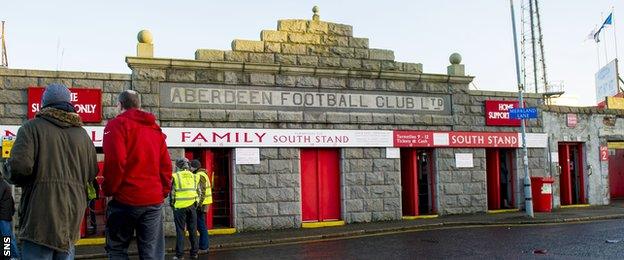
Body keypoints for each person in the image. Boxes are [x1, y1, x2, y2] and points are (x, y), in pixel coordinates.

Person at [5, 83, 98, 259]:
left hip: (40, 219)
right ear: (69, 104)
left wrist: (7, 170)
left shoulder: (31, 128)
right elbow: (91, 172)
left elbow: (19, 168)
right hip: (71, 220)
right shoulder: (83, 136)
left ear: (44, 103)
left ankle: (7, 253)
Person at [102, 89, 172, 259]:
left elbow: (115, 162)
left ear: (119, 105)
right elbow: (166, 166)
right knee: (152, 253)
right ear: (139, 105)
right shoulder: (155, 129)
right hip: (153, 201)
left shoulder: (115, 125)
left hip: (125, 199)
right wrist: (162, 192)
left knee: (117, 249)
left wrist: (109, 190)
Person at [171, 158, 199, 260]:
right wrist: (195, 203)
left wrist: (173, 205)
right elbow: (198, 191)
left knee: (180, 231)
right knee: (193, 230)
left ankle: (180, 255)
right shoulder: (194, 176)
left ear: (178, 166)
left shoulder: (175, 176)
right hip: (192, 206)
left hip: (180, 207)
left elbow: (172, 194)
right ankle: (194, 253)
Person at [190, 159, 212, 253]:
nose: (190, 169)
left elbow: (202, 192)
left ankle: (204, 247)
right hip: (205, 203)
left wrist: (198, 205)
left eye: (191, 167)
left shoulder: (199, 175)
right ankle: (204, 246)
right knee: (201, 225)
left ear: (194, 167)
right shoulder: (203, 174)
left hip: (202, 204)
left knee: (201, 226)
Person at [0, 174, 19, 259]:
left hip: (3, 217)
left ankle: (13, 256)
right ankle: (9, 256)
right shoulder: (4, 184)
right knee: (7, 237)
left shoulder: (2, 184)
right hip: (5, 216)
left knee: (7, 238)